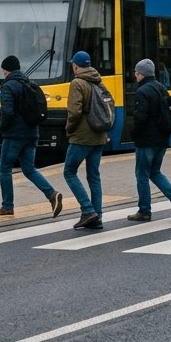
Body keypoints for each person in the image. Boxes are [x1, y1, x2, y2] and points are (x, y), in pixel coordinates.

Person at [0, 55, 64, 218]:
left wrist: (2, 128)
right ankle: (52, 194)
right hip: (32, 133)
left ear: (6, 70)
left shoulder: (9, 86)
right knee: (29, 169)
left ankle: (7, 206)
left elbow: (7, 112)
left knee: (4, 169)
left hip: (14, 135)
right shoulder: (29, 84)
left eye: (3, 70)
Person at [127, 59, 171, 221]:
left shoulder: (143, 91)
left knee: (142, 175)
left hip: (147, 141)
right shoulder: (161, 88)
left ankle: (144, 210)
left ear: (142, 74)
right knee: (154, 171)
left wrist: (134, 134)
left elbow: (140, 118)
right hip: (162, 139)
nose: (135, 76)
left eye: (137, 73)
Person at [64, 50, 109, 229]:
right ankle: (97, 217)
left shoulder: (77, 83)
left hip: (82, 137)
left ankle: (87, 210)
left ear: (76, 66)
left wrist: (69, 129)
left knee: (69, 172)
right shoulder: (98, 81)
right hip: (99, 136)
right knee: (94, 176)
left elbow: (74, 111)